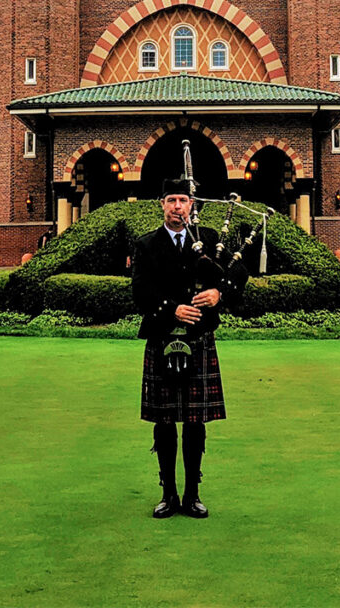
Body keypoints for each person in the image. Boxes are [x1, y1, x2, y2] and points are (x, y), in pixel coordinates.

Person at [131, 178, 248, 520]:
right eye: (171, 200)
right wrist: (172, 309)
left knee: (195, 421)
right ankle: (168, 494)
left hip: (198, 339)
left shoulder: (209, 240)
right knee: (165, 421)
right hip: (163, 337)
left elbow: (239, 273)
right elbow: (139, 292)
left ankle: (193, 495)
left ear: (191, 204)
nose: (177, 206)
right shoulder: (146, 244)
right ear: (162, 204)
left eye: (183, 200)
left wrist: (219, 294)